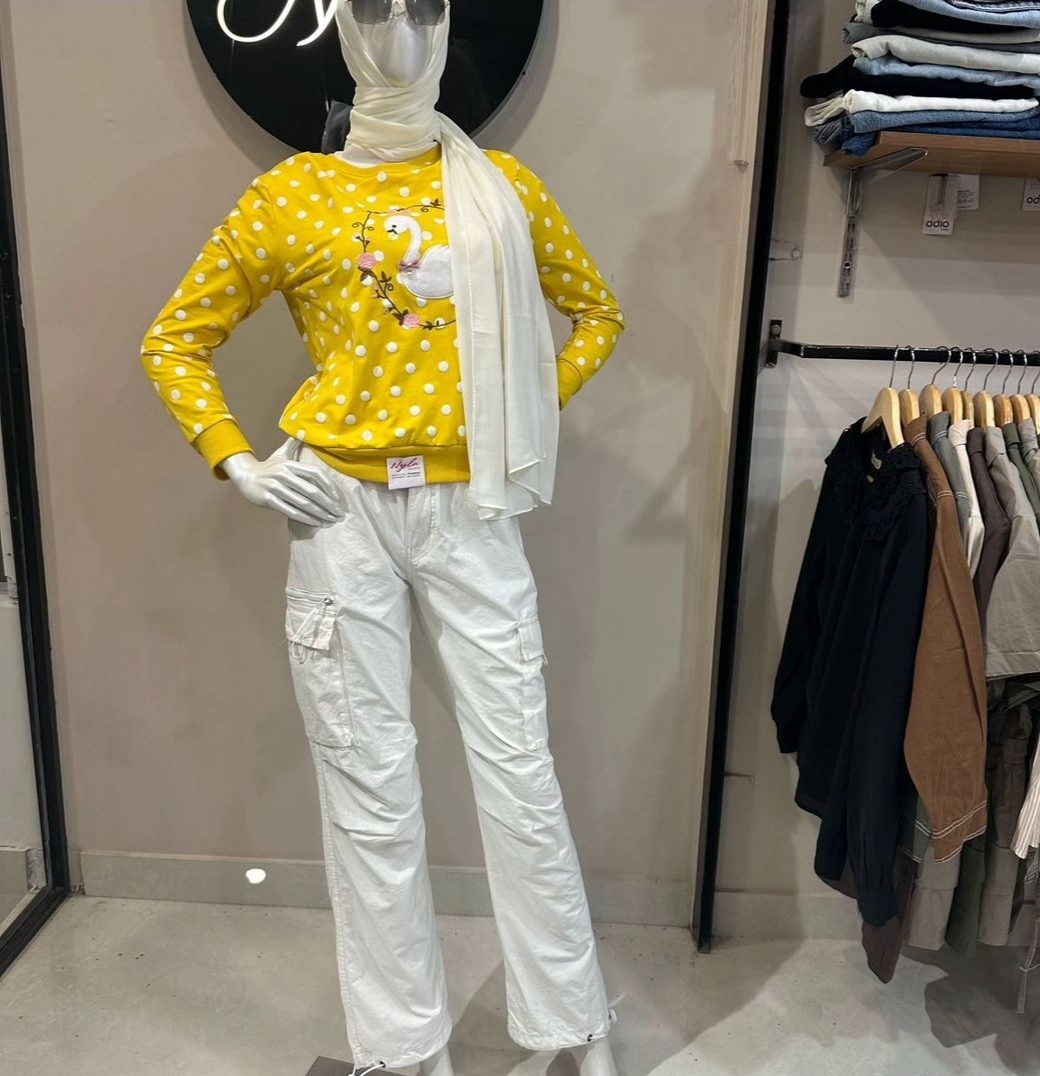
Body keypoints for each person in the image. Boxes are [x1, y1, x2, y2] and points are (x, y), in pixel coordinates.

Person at [141, 2, 625, 1073]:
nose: (399, 28)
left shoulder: (503, 191)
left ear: (449, 27)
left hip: (470, 508)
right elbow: (175, 339)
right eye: (373, 6)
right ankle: (404, 1045)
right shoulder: (292, 196)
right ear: (343, 30)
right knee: (367, 781)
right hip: (338, 510)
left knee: (518, 771)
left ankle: (572, 1020)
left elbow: (596, 312)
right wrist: (239, 461)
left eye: (423, 6)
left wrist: (520, 415)